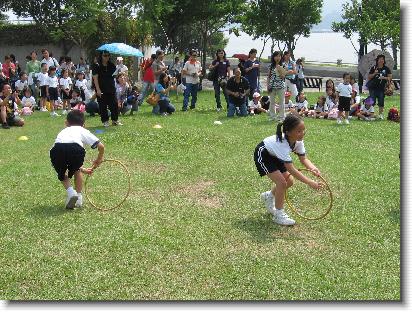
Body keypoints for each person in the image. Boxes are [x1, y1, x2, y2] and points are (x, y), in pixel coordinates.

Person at [254, 114, 322, 225]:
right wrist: (310, 182)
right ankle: (279, 215)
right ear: (288, 132)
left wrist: (313, 168)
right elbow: (292, 170)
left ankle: (269, 196)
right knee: (281, 183)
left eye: (303, 130)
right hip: (264, 154)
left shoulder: (298, 141)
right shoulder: (282, 144)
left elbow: (303, 159)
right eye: (299, 131)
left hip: (276, 155)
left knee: (289, 181)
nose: (302, 133)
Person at [49, 110, 105, 209]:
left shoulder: (63, 131)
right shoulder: (82, 130)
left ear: (66, 123)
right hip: (76, 149)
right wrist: (98, 159)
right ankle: (78, 198)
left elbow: (60, 150)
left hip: (57, 149)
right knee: (76, 170)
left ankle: (71, 192)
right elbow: (101, 146)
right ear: (84, 124)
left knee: (62, 174)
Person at [92, 51, 122, 127]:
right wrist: (98, 89)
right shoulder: (97, 65)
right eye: (105, 55)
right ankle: (105, 121)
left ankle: (115, 120)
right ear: (101, 56)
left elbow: (114, 76)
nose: (107, 57)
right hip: (101, 89)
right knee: (103, 106)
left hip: (111, 88)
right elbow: (95, 78)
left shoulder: (112, 65)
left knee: (114, 105)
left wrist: (118, 70)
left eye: (108, 55)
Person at [367, 54, 393, 119]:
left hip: (381, 88)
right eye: (380, 59)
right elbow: (369, 77)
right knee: (372, 100)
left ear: (384, 61)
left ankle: (380, 114)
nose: (381, 60)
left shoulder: (386, 68)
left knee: (381, 100)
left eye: (382, 59)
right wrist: (374, 73)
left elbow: (390, 78)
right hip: (373, 87)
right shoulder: (374, 67)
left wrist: (384, 78)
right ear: (377, 60)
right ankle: (371, 113)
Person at [267, 51, 286, 121]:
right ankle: (272, 116)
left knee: (281, 102)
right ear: (273, 57)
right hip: (272, 86)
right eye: (276, 56)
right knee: (272, 102)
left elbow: (283, 77)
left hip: (280, 86)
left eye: (279, 56)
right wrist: (268, 86)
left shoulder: (283, 65)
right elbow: (269, 76)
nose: (277, 58)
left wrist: (279, 69)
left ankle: (281, 117)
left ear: (281, 57)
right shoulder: (270, 66)